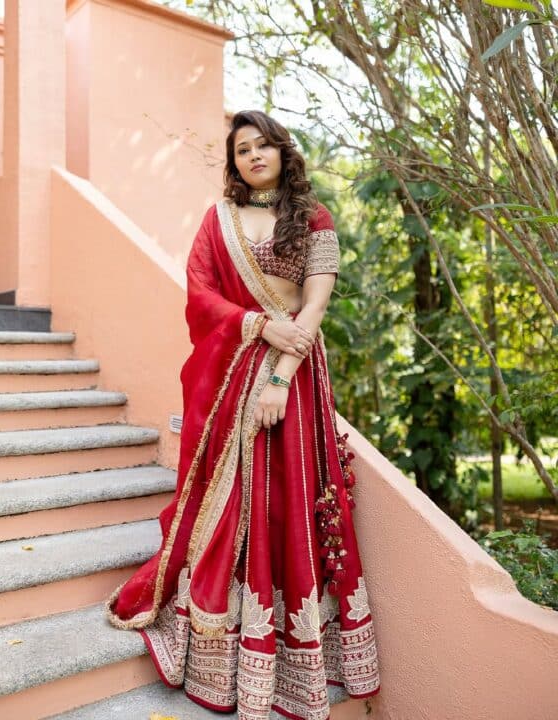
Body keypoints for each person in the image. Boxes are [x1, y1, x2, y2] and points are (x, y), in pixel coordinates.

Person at [106, 109, 380, 720]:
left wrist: (280, 378)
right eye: (242, 149)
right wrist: (256, 325)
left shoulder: (313, 217)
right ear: (233, 162)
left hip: (295, 374)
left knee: (288, 501)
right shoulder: (219, 220)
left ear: (282, 150)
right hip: (235, 372)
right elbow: (200, 294)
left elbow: (315, 307)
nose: (254, 155)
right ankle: (220, 643)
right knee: (231, 502)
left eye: (263, 145)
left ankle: (291, 652)